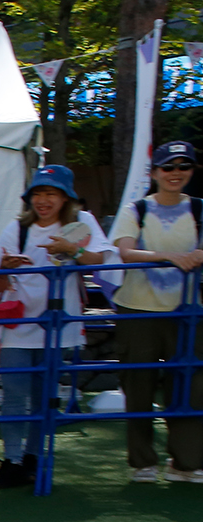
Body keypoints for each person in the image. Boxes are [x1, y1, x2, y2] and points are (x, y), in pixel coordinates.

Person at [0, 166, 113, 491]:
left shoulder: (81, 224)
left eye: (51, 193)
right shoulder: (17, 228)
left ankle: (32, 459)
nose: (43, 200)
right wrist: (5, 267)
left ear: (65, 198)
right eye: (38, 194)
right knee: (13, 392)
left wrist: (73, 250)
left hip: (58, 325)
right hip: (17, 321)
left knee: (45, 398)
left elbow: (102, 261)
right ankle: (11, 460)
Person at [109, 139, 203, 483]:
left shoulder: (199, 209)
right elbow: (125, 252)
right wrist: (172, 258)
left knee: (192, 386)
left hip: (188, 313)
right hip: (137, 310)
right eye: (168, 167)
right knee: (139, 385)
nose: (176, 173)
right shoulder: (137, 210)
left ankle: (186, 462)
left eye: (184, 166)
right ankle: (142, 462)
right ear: (155, 173)